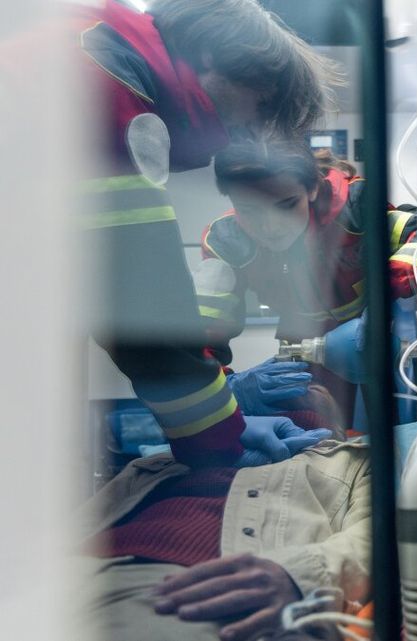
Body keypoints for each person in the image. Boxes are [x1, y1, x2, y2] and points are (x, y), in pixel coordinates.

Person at [76, 0, 339, 466]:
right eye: (257, 108)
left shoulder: (96, 41)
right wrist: (222, 434)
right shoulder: (108, 83)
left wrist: (225, 421)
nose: (244, 131)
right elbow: (144, 307)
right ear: (217, 57)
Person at [78, 385, 367, 641]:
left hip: (203, 588)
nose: (299, 385)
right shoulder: (165, 459)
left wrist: (296, 575)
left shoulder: (351, 461)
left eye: (316, 388)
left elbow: (374, 537)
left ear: (337, 427)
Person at [195, 136, 417, 418]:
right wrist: (225, 386)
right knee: (313, 435)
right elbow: (204, 334)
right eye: (249, 210)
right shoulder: (226, 241)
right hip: (301, 341)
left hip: (373, 335)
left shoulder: (358, 205)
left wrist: (385, 300)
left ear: (312, 187)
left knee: (391, 429)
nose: (270, 227)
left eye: (287, 205)